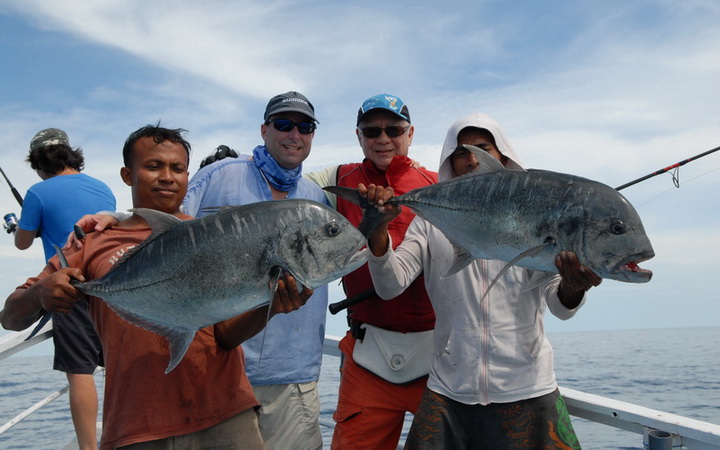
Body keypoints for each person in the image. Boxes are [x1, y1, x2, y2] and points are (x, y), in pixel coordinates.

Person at [1, 124, 311, 449]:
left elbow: (224, 336)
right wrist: (41, 293)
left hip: (226, 415)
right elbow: (10, 317)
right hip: (136, 425)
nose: (167, 176)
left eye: (177, 168)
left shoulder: (216, 235)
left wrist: (270, 307)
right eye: (153, 166)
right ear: (126, 174)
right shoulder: (91, 243)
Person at [360, 112, 602, 449]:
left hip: (529, 389)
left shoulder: (539, 214)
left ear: (502, 156)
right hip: (449, 389)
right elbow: (390, 285)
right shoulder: (431, 220)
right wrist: (378, 229)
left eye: (483, 149)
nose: (473, 160)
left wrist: (574, 285)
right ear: (451, 163)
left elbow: (560, 306)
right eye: (461, 153)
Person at [183, 92, 329, 450]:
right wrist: (115, 219)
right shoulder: (218, 176)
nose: (294, 134)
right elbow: (166, 231)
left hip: (292, 373)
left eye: (305, 126)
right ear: (264, 129)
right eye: (283, 124)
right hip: (217, 368)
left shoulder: (316, 199)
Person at [306, 94, 438, 450]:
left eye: (393, 129)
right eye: (372, 130)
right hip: (367, 357)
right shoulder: (336, 179)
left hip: (440, 359)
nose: (383, 138)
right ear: (358, 135)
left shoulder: (439, 184)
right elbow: (288, 189)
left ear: (410, 134)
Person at [12, 128, 115, 450]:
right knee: (115, 363)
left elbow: (22, 241)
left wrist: (23, 224)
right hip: (111, 280)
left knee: (79, 370)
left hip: (70, 284)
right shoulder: (103, 187)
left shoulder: (38, 192)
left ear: (39, 163)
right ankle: (120, 435)